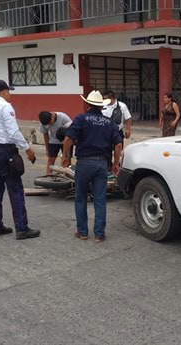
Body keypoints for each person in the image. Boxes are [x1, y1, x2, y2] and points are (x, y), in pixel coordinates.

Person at [0, 79, 39, 240]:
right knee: (15, 190)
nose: (10, 94)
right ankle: (21, 228)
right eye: (9, 91)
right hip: (6, 151)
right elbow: (13, 132)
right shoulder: (5, 107)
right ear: (4, 92)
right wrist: (27, 148)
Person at [61, 90, 122, 243]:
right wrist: (115, 164)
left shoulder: (81, 119)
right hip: (102, 163)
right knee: (100, 199)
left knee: (80, 197)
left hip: (84, 163)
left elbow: (68, 139)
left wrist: (65, 157)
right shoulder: (109, 123)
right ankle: (99, 234)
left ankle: (82, 232)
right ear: (101, 106)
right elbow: (118, 144)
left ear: (87, 104)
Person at [38, 110, 72, 176]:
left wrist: (66, 153)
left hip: (66, 140)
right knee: (50, 159)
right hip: (53, 140)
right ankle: (48, 176)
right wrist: (47, 149)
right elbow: (46, 135)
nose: (49, 125)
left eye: (50, 122)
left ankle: (67, 177)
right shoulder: (43, 122)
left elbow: (71, 132)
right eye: (47, 124)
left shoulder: (63, 117)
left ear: (52, 116)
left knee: (67, 159)